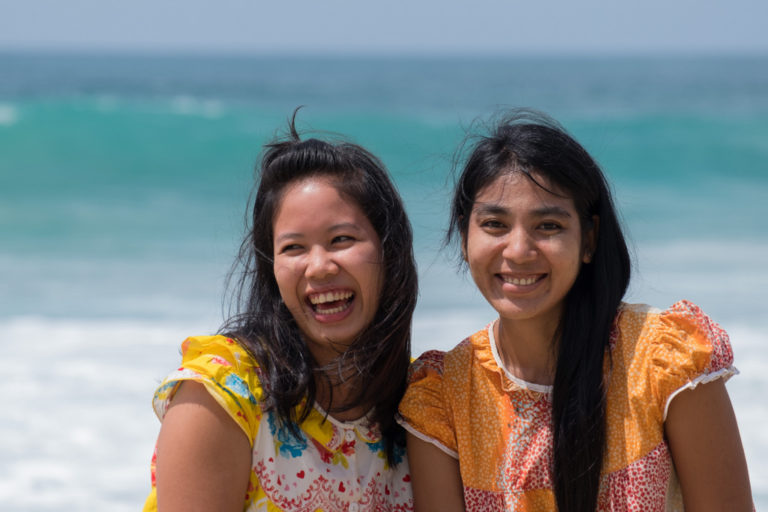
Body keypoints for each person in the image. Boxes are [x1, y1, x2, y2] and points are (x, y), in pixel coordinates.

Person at [398, 110, 753, 511]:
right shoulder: (443, 397)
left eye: (548, 226)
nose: (518, 250)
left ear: (589, 240)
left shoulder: (662, 359)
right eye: (495, 224)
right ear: (465, 238)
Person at [143, 114, 417, 511]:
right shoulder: (222, 396)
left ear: (389, 251)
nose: (319, 267)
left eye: (341, 239)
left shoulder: (420, 403)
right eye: (294, 248)